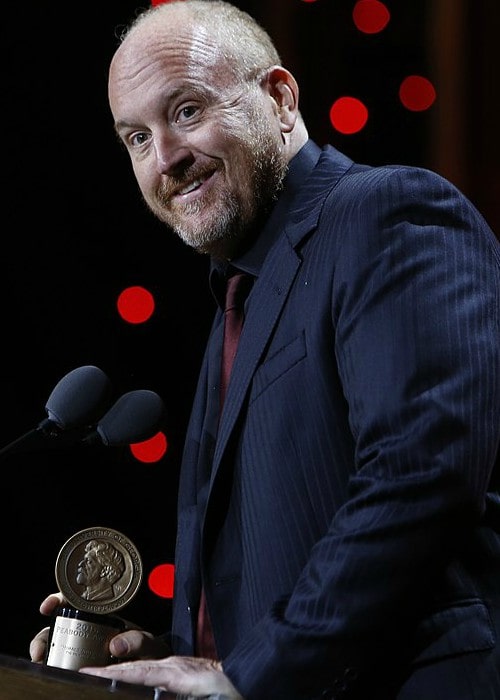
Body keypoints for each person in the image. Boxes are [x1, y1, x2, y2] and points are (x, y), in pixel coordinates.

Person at [30, 1, 500, 698]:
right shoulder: (235, 293)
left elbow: (420, 476)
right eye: (136, 137)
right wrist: (172, 656)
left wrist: (252, 677)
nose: (166, 159)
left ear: (280, 99)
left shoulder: (388, 213)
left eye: (187, 111)